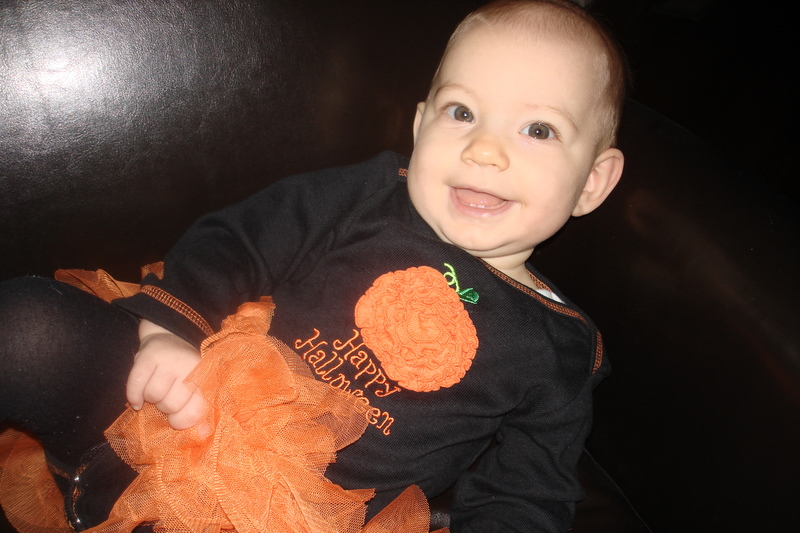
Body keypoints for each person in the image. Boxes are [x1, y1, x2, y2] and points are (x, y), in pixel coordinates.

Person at [0, 0, 627, 531]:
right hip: (175, 401)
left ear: (593, 182)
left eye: (538, 130)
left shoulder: (559, 347)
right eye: (461, 113)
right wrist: (169, 329)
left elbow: (528, 494)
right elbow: (243, 237)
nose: (485, 149)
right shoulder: (370, 194)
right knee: (29, 327)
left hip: (295, 515)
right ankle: (88, 474)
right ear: (420, 126)